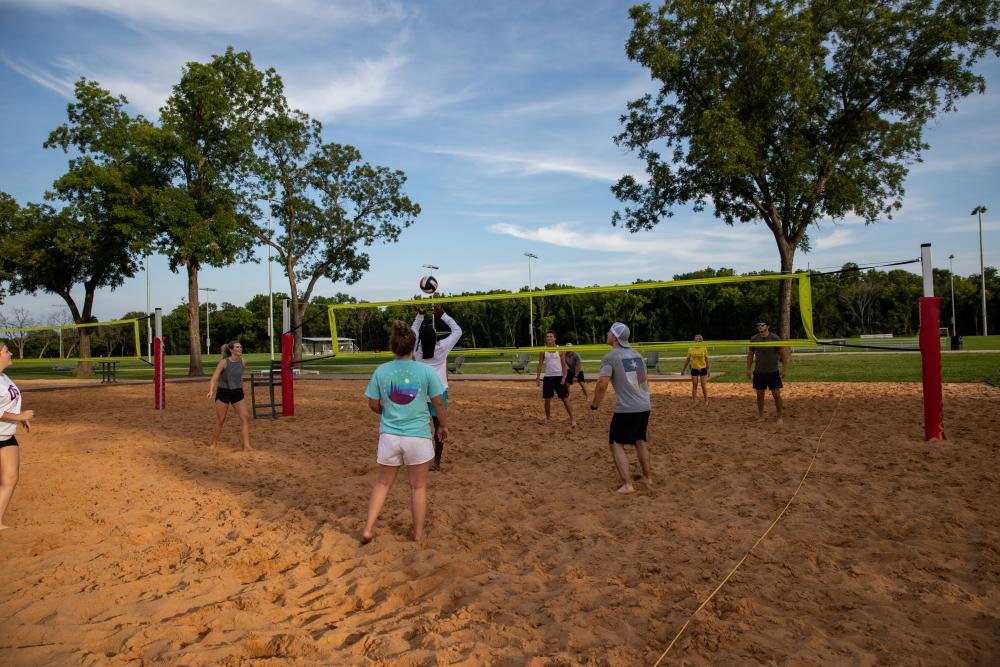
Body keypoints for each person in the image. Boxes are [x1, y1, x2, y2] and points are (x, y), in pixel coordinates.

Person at [362, 320, 448, 544]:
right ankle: (418, 535)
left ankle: (368, 529)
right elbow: (438, 403)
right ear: (413, 346)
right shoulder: (425, 371)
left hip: (390, 436)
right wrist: (443, 425)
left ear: (393, 346)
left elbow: (372, 404)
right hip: (417, 437)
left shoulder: (382, 370)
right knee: (418, 487)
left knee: (382, 484)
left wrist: (385, 411)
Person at [589, 323, 652, 494]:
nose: (607, 333)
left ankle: (627, 485)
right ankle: (647, 477)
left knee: (616, 443)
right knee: (640, 440)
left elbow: (602, 384)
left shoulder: (610, 357)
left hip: (628, 407)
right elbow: (642, 381)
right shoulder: (637, 354)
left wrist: (594, 406)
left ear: (615, 337)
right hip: (644, 404)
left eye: (610, 332)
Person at [411, 304, 462, 470]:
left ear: (420, 340)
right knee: (439, 426)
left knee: (418, 426)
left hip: (421, 394)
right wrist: (443, 315)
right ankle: (437, 463)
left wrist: (420, 316)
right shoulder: (442, 348)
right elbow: (458, 331)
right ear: (435, 338)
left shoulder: (417, 350)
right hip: (438, 394)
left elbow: (413, 331)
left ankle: (418, 458)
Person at [0, 342, 34, 531]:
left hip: (5, 435)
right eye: (6, 351)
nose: (10, 353)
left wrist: (20, 417)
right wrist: (19, 416)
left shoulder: (4, 377)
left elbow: (8, 402)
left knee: (11, 478)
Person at [207, 340, 251, 450]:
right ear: (231, 350)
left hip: (237, 392)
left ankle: (247, 446)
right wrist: (211, 391)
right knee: (221, 419)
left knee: (245, 417)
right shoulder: (224, 362)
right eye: (237, 347)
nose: (240, 349)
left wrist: (239, 384)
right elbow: (214, 377)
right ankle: (213, 444)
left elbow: (238, 375)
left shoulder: (243, 361)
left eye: (240, 347)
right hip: (224, 392)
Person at [746, 319, 790, 423]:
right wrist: (748, 369)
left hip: (772, 371)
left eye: (762, 324)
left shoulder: (775, 338)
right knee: (759, 395)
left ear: (768, 326)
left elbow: (783, 354)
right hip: (759, 372)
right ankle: (761, 416)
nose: (760, 326)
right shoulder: (754, 339)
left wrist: (784, 370)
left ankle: (779, 416)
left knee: (776, 395)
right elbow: (750, 354)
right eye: (758, 324)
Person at [535, 330, 575, 426]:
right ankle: (548, 418)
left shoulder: (560, 349)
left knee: (565, 398)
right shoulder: (543, 350)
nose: (548, 338)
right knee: (547, 399)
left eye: (550, 336)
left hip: (559, 376)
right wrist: (538, 377)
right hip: (548, 377)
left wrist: (564, 377)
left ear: (555, 338)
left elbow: (564, 364)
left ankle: (572, 419)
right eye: (547, 336)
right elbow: (540, 364)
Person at [681, 334, 710, 404]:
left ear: (701, 341)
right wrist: (683, 370)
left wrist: (708, 368)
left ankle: (706, 400)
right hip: (694, 368)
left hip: (703, 368)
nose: (696, 340)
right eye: (695, 339)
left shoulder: (704, 348)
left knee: (703, 385)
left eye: (698, 339)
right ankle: (694, 401)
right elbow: (687, 359)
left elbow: (706, 359)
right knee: (694, 385)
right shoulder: (691, 348)